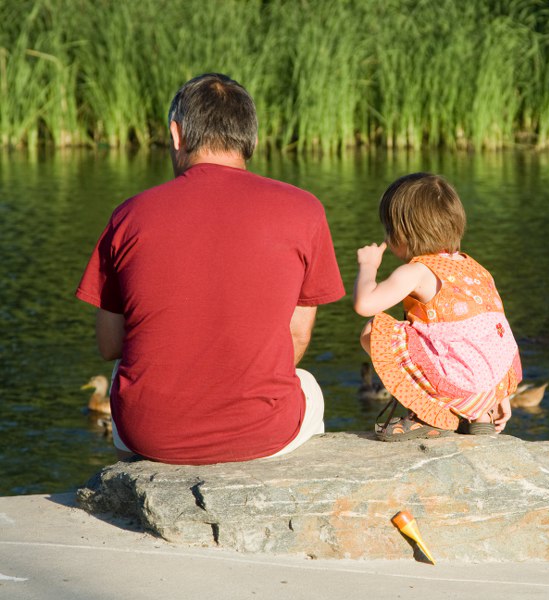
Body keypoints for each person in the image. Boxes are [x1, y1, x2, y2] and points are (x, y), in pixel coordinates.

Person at [76, 73, 345, 465]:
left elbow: (110, 345)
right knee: (308, 385)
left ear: (176, 134)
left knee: (125, 371)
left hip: (150, 436)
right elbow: (297, 337)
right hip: (263, 435)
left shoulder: (130, 215)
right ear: (250, 139)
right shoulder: (305, 210)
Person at [354, 172, 521, 441]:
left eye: (388, 229)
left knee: (373, 330)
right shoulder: (474, 268)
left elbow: (365, 304)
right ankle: (480, 416)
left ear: (403, 233)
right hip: (495, 381)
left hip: (458, 385)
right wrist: (499, 395)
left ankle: (432, 416)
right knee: (444, 335)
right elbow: (494, 335)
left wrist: (368, 267)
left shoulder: (418, 271)